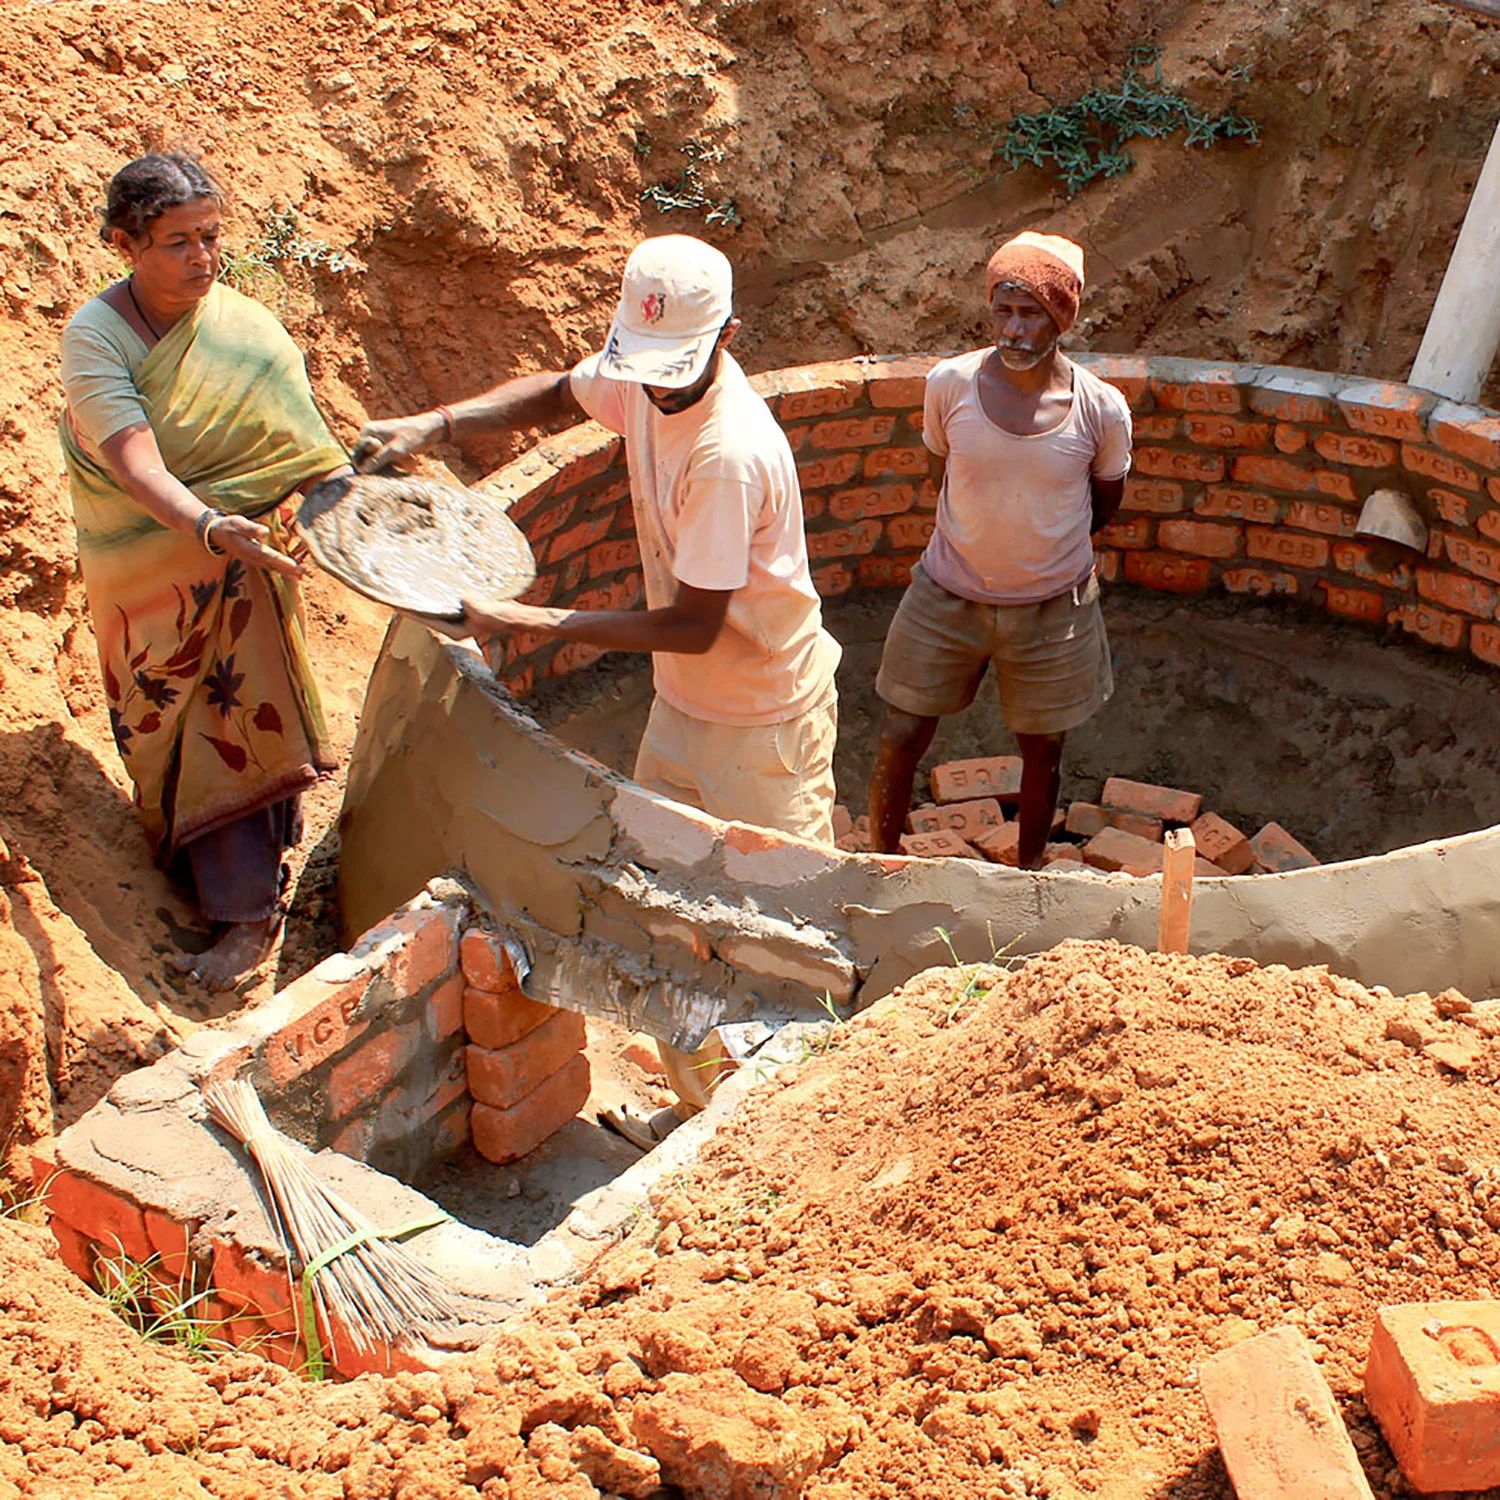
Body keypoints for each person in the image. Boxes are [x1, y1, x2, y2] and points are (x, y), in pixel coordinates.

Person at [353, 233, 842, 849]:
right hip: (683, 701)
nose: (656, 389)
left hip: (761, 717)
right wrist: (437, 424)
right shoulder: (644, 383)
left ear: (727, 334)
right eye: (643, 368)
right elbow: (561, 391)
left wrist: (523, 619)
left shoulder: (726, 455)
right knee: (669, 861)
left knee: (785, 892)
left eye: (671, 370)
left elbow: (692, 628)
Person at [59, 151, 349, 989]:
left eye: (212, 237)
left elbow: (303, 450)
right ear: (125, 244)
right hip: (147, 569)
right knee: (165, 720)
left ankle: (245, 915)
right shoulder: (96, 337)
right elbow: (133, 464)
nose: (202, 257)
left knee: (233, 719)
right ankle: (201, 876)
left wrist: (339, 509)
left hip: (245, 569)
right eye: (177, 242)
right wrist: (209, 525)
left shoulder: (246, 330)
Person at [867, 231, 1132, 868]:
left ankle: (1028, 871)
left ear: (1061, 318)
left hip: (1052, 610)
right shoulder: (950, 384)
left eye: (1031, 313)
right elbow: (945, 478)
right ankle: (880, 861)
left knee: (1043, 750)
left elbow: (1104, 505)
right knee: (901, 731)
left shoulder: (1100, 409)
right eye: (1003, 312)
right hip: (945, 594)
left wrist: (1039, 556)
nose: (1013, 330)